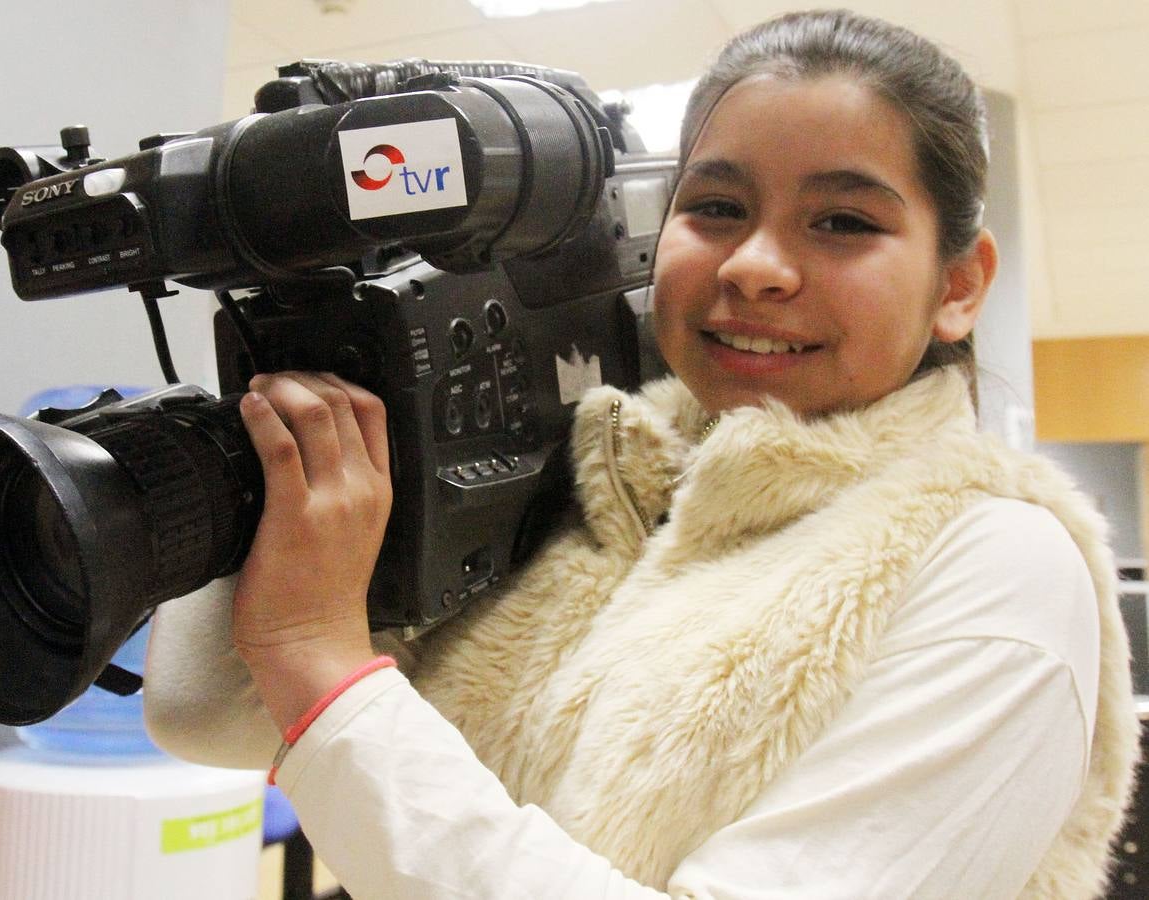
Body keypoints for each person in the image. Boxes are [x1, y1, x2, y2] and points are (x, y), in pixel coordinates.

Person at [144, 10, 1140, 898]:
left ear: (959, 284)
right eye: (715, 209)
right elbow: (213, 717)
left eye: (842, 222)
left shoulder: (998, 571)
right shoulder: (610, 488)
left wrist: (319, 660)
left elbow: (318, 697)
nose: (753, 265)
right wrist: (287, 394)